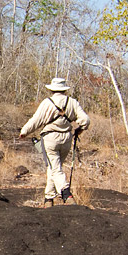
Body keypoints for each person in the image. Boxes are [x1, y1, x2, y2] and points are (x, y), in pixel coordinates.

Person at [19, 77, 90, 207]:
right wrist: (80, 129)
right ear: (64, 89)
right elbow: (85, 120)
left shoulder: (47, 102)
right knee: (54, 168)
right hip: (67, 138)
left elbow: (36, 120)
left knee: (55, 168)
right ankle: (48, 199)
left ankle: (66, 194)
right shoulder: (72, 102)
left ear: (51, 89)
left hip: (50, 139)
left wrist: (24, 131)